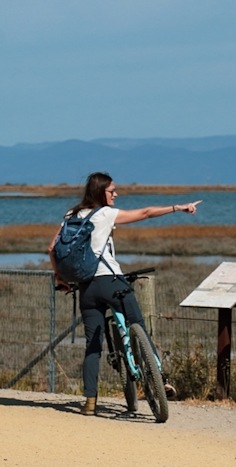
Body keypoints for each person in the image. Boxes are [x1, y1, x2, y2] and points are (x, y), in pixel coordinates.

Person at [51, 172, 201, 416]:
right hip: (111, 281)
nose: (116, 194)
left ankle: (89, 402)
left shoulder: (70, 216)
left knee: (92, 345)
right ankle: (160, 379)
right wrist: (178, 207)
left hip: (86, 287)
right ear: (101, 192)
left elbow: (51, 248)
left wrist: (61, 278)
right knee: (138, 323)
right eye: (112, 191)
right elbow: (145, 213)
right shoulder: (106, 214)